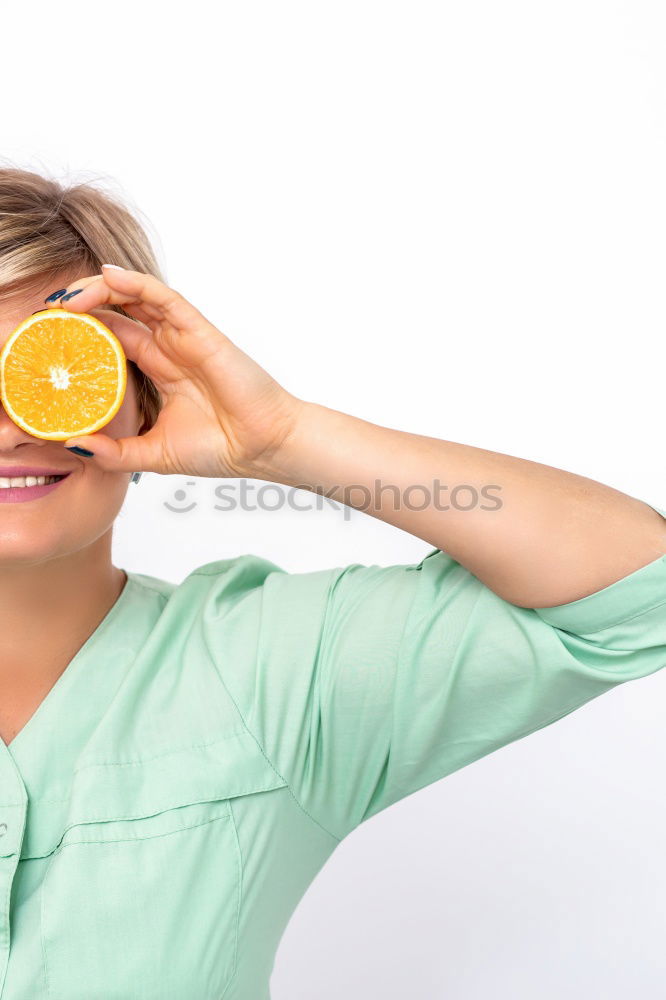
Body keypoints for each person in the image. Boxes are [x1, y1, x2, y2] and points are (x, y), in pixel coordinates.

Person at [0, 166, 663, 1000]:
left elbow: (639, 590)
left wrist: (279, 438)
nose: (14, 428)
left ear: (142, 396)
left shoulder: (269, 673)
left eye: (52, 368)